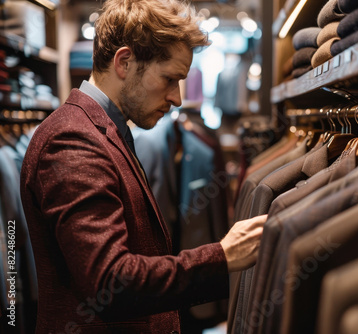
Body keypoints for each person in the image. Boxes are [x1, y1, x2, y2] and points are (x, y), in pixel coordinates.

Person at [19, 0, 266, 333]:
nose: (178, 98)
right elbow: (111, 282)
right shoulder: (72, 140)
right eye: (169, 79)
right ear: (125, 62)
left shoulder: (106, 130)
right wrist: (222, 256)